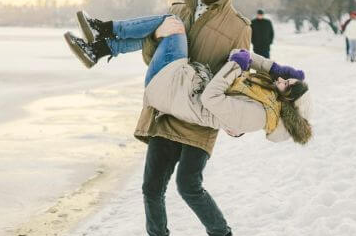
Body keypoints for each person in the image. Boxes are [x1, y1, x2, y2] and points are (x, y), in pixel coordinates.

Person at [68, 0, 252, 236]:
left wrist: (235, 113)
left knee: (188, 185)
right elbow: (152, 57)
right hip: (167, 107)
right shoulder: (178, 10)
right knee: (151, 187)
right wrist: (154, 37)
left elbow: (238, 74)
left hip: (199, 112)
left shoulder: (238, 27)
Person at [64, 14, 312, 144]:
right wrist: (276, 67)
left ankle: (104, 32)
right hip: (178, 81)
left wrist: (235, 66)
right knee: (163, 32)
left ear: (288, 99)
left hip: (171, 87)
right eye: (285, 80)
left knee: (172, 23)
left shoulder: (258, 116)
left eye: (287, 84)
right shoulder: (268, 99)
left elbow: (211, 97)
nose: (281, 81)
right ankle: (99, 49)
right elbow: (251, 59)